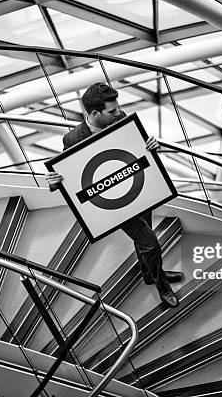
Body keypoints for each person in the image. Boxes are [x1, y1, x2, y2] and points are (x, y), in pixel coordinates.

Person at [45, 83, 183, 308]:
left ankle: (148, 273)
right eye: (112, 111)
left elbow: (136, 148)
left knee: (143, 237)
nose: (118, 113)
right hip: (112, 201)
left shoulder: (121, 119)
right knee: (150, 243)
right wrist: (54, 182)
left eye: (117, 108)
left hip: (134, 188)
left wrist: (150, 146)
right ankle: (163, 287)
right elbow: (69, 174)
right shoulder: (72, 140)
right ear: (94, 113)